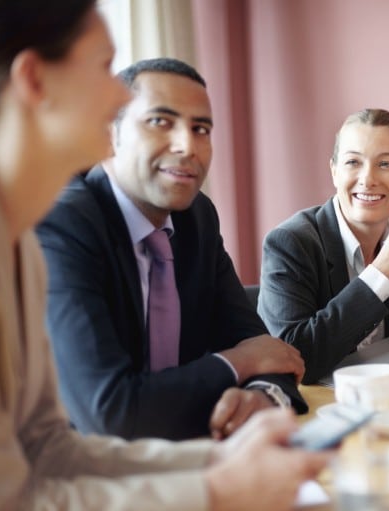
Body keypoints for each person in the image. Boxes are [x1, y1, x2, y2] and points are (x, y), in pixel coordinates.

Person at [0, 2, 330, 509]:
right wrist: (216, 490)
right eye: (102, 67)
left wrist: (220, 462)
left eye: (202, 128)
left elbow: (49, 450)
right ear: (34, 80)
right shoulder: (22, 230)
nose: (115, 94)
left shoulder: (12, 229)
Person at [36, 57, 308, 441]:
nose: (187, 146)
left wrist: (262, 395)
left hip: (190, 455)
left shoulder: (197, 217)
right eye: (160, 122)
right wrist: (238, 363)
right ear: (109, 133)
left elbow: (262, 345)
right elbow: (111, 413)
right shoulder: (63, 225)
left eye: (201, 129)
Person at [259, 108, 389, 383]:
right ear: (334, 171)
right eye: (353, 162)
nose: (368, 178)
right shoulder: (290, 244)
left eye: (385, 164)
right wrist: (380, 273)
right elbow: (296, 358)